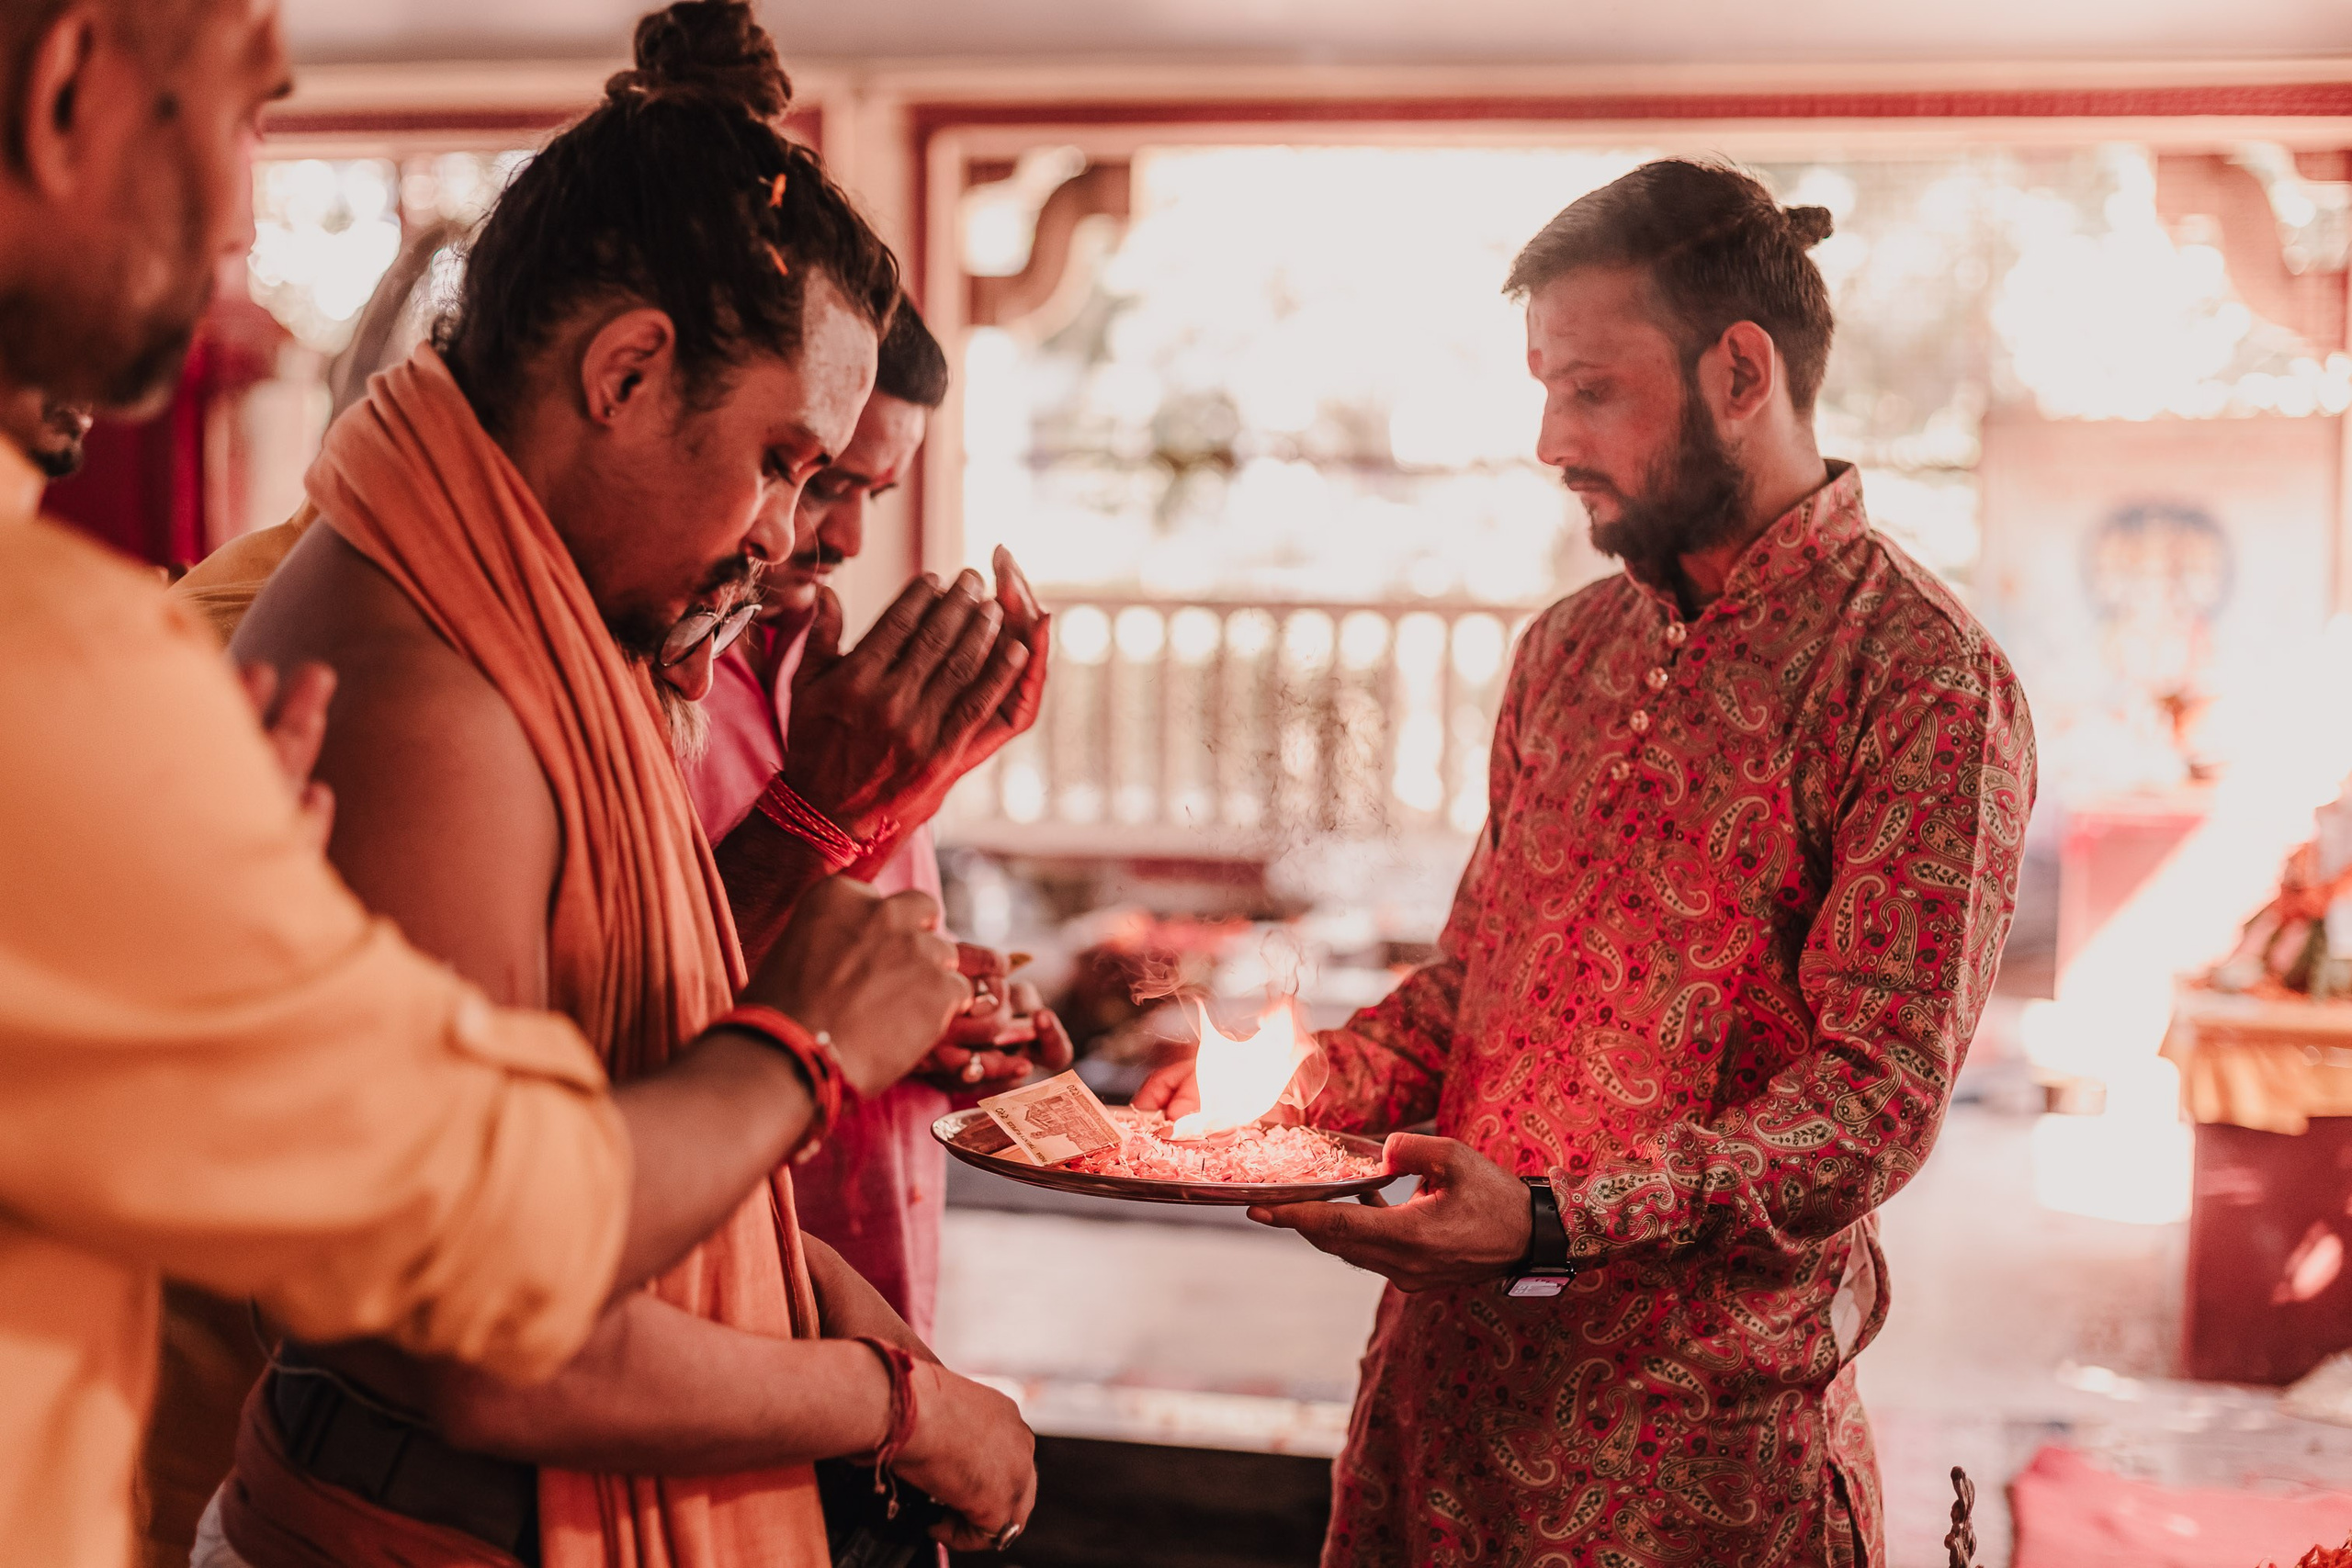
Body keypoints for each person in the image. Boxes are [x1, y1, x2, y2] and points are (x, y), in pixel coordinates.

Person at [0, 3, 971, 1566]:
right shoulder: (362, 666)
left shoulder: (555, 624)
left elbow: (544, 1109)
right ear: (629, 371)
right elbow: (476, 1293)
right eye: (787, 464)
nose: (245, 219)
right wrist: (809, 1060)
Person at [1138, 159, 2036, 1567]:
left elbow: (1874, 1099)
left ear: (1741, 373)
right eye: (1547, 388)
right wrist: (1283, 1092)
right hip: (1441, 1414)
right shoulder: (1567, 651)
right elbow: (1473, 986)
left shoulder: (1919, 676)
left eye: (1593, 389)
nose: (1552, 437)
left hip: (1691, 1465)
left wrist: (1554, 1224)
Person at [684, 297, 1071, 1340]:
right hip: (711, 1276)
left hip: (876, 1256)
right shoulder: (659, 688)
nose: (844, 539)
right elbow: (653, 999)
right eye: (820, 481)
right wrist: (828, 809)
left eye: (872, 494)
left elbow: (832, 938)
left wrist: (943, 1010)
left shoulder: (829, 668)